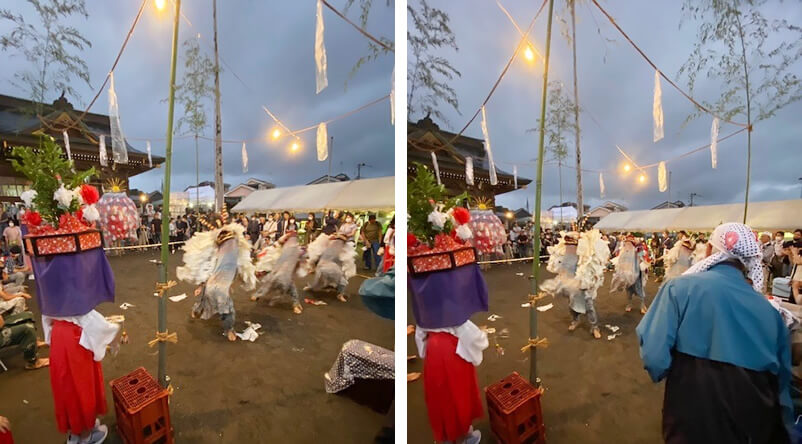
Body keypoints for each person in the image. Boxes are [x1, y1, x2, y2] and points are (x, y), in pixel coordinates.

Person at [637, 222, 792, 443]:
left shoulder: (678, 289)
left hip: (693, 404)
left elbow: (654, 356)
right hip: (755, 415)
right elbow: (782, 381)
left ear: (709, 250)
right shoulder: (771, 312)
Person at [180, 219, 257, 342]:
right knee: (208, 298)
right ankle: (199, 311)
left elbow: (237, 267)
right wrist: (200, 285)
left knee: (223, 305)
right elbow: (206, 268)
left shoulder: (236, 247)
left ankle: (228, 328)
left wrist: (231, 283)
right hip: (214, 281)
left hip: (223, 282)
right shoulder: (215, 253)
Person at [415, 321, 487, 444]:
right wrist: (483, 337)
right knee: (460, 394)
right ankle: (467, 435)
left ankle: (446, 438)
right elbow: (470, 334)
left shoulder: (423, 308)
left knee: (439, 397)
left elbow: (420, 335)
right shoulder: (452, 308)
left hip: (433, 351)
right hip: (453, 353)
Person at [540, 231, 609, 339]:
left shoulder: (584, 255)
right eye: (568, 245)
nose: (570, 248)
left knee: (589, 305)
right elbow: (561, 268)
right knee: (572, 304)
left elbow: (590, 268)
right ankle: (575, 320)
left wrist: (585, 280)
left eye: (572, 245)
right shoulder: (564, 255)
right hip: (570, 283)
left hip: (582, 282)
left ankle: (594, 327)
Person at [253, 230, 306, 314]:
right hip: (277, 269)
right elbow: (271, 254)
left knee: (291, 286)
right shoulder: (280, 244)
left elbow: (298, 260)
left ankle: (295, 304)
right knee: (269, 282)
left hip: (286, 271)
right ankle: (257, 294)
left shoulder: (295, 249)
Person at [611, 234, 649, 314]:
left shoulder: (638, 249)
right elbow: (621, 261)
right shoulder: (624, 251)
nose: (627, 244)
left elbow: (642, 258)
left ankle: (642, 305)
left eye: (629, 242)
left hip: (636, 272)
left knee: (639, 289)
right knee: (629, 290)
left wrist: (640, 250)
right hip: (627, 273)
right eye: (626, 242)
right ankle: (629, 304)